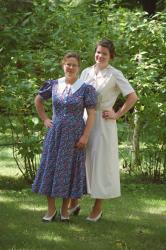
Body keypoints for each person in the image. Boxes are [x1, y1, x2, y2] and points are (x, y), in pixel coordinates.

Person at [69, 39, 138, 221]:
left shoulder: (115, 74)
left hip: (102, 123)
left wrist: (117, 114)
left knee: (99, 164)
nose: (100, 56)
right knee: (79, 160)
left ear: (111, 56)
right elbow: (75, 94)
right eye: (98, 52)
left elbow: (132, 97)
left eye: (104, 54)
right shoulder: (86, 72)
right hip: (83, 120)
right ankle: (74, 203)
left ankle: (97, 207)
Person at [32, 52, 96, 222]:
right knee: (51, 167)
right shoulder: (54, 84)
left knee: (70, 170)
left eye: (74, 65)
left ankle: (65, 210)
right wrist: (45, 119)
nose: (70, 67)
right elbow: (38, 100)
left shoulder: (85, 88)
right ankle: (51, 209)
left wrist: (85, 136)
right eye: (68, 64)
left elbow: (91, 115)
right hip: (56, 134)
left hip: (75, 135)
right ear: (63, 65)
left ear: (78, 67)